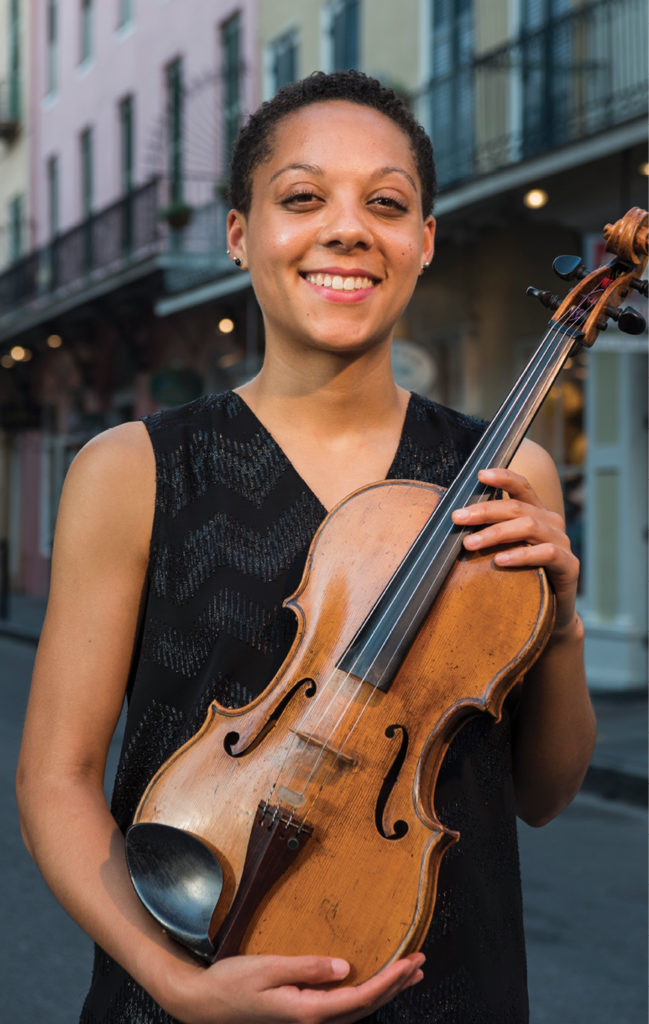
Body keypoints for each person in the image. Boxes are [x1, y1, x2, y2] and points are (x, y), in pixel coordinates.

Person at [16, 70, 596, 1024]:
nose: (347, 229)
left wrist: (562, 623)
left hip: (449, 990)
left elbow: (540, 793)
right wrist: (176, 987)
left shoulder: (506, 470)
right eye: (301, 197)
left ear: (422, 242)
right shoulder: (131, 469)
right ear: (241, 234)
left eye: (386, 203)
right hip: (182, 980)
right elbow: (56, 778)